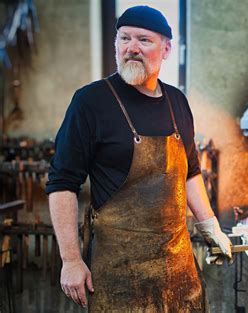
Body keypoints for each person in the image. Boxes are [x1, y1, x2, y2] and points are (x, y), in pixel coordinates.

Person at [46, 5, 232, 312]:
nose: (131, 48)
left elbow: (190, 174)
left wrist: (210, 227)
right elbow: (62, 183)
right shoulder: (90, 102)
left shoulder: (177, 102)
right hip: (119, 269)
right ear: (116, 45)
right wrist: (71, 259)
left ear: (166, 49)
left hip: (177, 265)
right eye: (124, 39)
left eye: (143, 40)